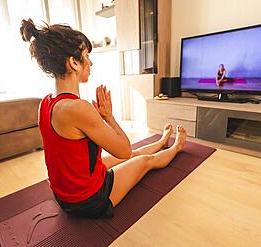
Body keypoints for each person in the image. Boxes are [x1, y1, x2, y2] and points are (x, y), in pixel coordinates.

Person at [20, 19, 187, 218]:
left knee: (134, 154)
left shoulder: (46, 102)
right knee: (144, 160)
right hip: (87, 201)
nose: (90, 63)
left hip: (63, 195)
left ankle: (161, 141)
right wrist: (109, 116)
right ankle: (176, 147)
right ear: (74, 63)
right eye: (86, 56)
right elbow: (124, 151)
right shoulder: (77, 108)